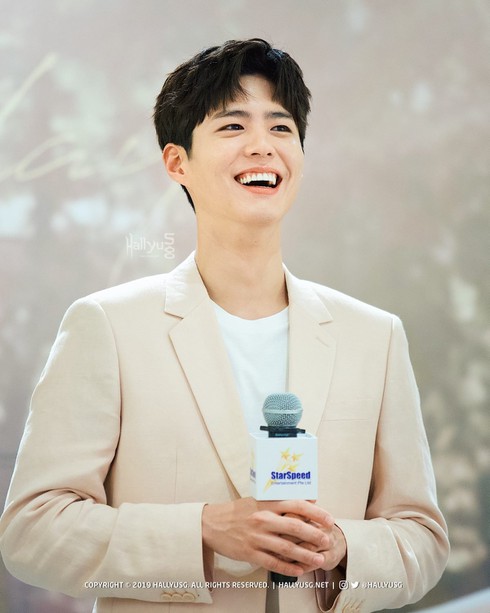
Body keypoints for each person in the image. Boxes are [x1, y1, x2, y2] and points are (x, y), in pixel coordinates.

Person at [0, 39, 449, 613]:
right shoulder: (108, 327)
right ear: (177, 162)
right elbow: (33, 531)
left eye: (281, 128)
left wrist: (342, 547)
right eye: (233, 126)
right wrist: (205, 530)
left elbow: (421, 537)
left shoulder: (374, 337)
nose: (262, 145)